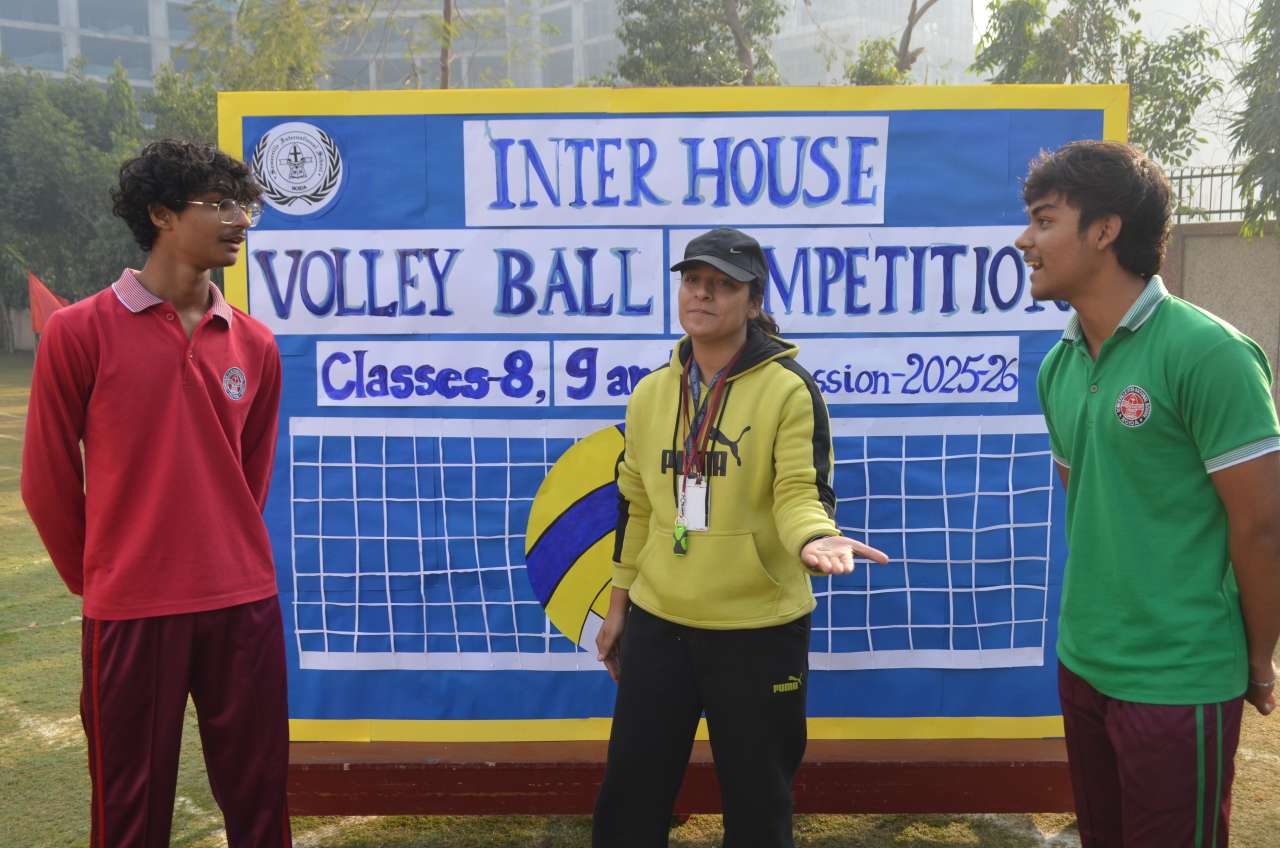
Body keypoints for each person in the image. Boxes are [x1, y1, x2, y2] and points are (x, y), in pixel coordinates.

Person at [21, 140, 291, 847]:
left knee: (261, 803)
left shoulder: (257, 344)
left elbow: (250, 476)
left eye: (245, 206)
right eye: (220, 204)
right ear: (161, 215)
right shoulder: (78, 332)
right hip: (132, 610)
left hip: (243, 604)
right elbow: (46, 479)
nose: (240, 220)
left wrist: (227, 553)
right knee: (130, 813)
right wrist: (104, 577)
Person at [591, 227, 889, 847]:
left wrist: (813, 538)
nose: (702, 294)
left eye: (723, 285)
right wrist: (619, 608)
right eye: (693, 281)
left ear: (753, 303)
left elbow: (800, 491)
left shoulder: (788, 389)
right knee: (629, 804)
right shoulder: (650, 394)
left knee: (758, 809)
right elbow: (637, 506)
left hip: (758, 631)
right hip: (659, 623)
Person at [1019, 140, 1280, 847]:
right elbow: (1089, 502)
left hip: (1179, 676)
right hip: (1084, 662)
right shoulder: (1059, 365)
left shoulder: (1210, 353)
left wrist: (1258, 659)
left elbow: (1261, 528)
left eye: (1044, 220)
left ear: (1105, 230)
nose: (1024, 241)